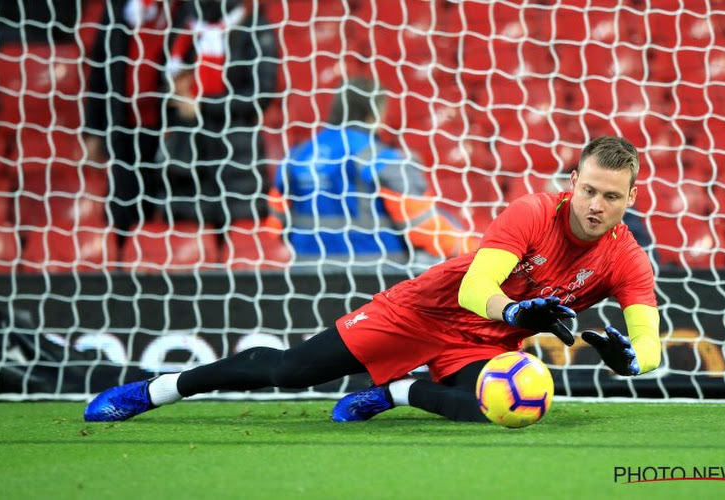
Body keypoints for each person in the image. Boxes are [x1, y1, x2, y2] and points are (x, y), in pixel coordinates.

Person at [84, 136, 661, 423]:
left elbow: (651, 347)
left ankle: (399, 391)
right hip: (420, 311)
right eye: (588, 189)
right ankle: (155, 389)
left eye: (610, 196)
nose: (595, 204)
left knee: (508, 406)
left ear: (630, 199)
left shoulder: (627, 259)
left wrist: (631, 361)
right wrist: (512, 312)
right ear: (573, 181)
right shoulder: (533, 212)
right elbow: (471, 288)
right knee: (289, 371)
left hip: (482, 345)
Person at [267, 78, 479, 263]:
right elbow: (425, 229)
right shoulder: (382, 160)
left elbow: (276, 224)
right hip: (375, 277)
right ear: (372, 114)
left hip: (307, 276)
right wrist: (475, 251)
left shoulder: (296, 156)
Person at [157, 0, 278, 228]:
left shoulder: (254, 28)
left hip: (236, 155)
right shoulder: (185, 29)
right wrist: (178, 90)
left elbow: (259, 95)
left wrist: (203, 104)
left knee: (238, 241)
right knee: (189, 239)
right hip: (188, 154)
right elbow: (162, 80)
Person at [84, 0, 182, 236]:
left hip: (173, 130)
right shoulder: (118, 9)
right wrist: (94, 130)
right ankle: (120, 267)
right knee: (123, 211)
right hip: (124, 130)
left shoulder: (187, 9)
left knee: (174, 216)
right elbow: (100, 69)